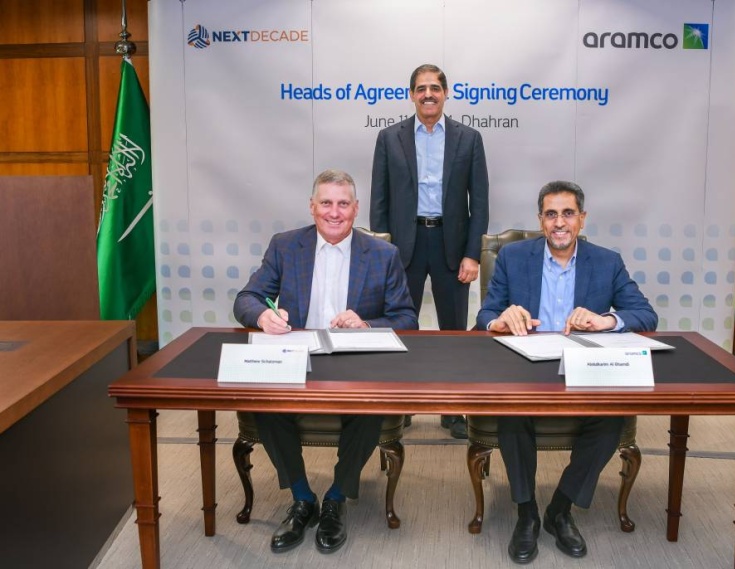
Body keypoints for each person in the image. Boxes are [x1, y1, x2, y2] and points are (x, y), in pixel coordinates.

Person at [234, 169, 418, 555]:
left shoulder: (383, 254)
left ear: (356, 208)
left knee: (371, 404)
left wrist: (366, 325)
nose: (334, 212)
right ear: (312, 206)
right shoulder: (286, 246)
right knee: (262, 399)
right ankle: (302, 498)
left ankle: (335, 497)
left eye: (343, 204)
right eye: (326, 203)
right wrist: (263, 316)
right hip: (297, 360)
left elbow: (407, 319)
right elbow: (246, 299)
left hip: (354, 364)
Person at [476, 180, 657, 563]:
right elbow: (485, 315)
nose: (559, 222)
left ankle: (560, 508)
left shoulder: (607, 262)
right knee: (512, 414)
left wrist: (607, 321)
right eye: (551, 214)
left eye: (568, 213)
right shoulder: (513, 257)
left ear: (582, 218)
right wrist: (500, 319)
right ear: (541, 219)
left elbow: (645, 314)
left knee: (612, 419)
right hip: (526, 370)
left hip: (584, 371)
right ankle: (527, 512)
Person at [370, 63, 489, 439]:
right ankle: (400, 407)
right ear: (411, 95)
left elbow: (479, 203)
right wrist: (381, 252)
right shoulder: (389, 138)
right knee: (400, 328)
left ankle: (452, 409)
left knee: (453, 331)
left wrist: (472, 254)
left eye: (435, 88)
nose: (428, 94)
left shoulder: (469, 139)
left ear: (445, 93)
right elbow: (379, 200)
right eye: (421, 88)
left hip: (450, 245)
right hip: (403, 246)